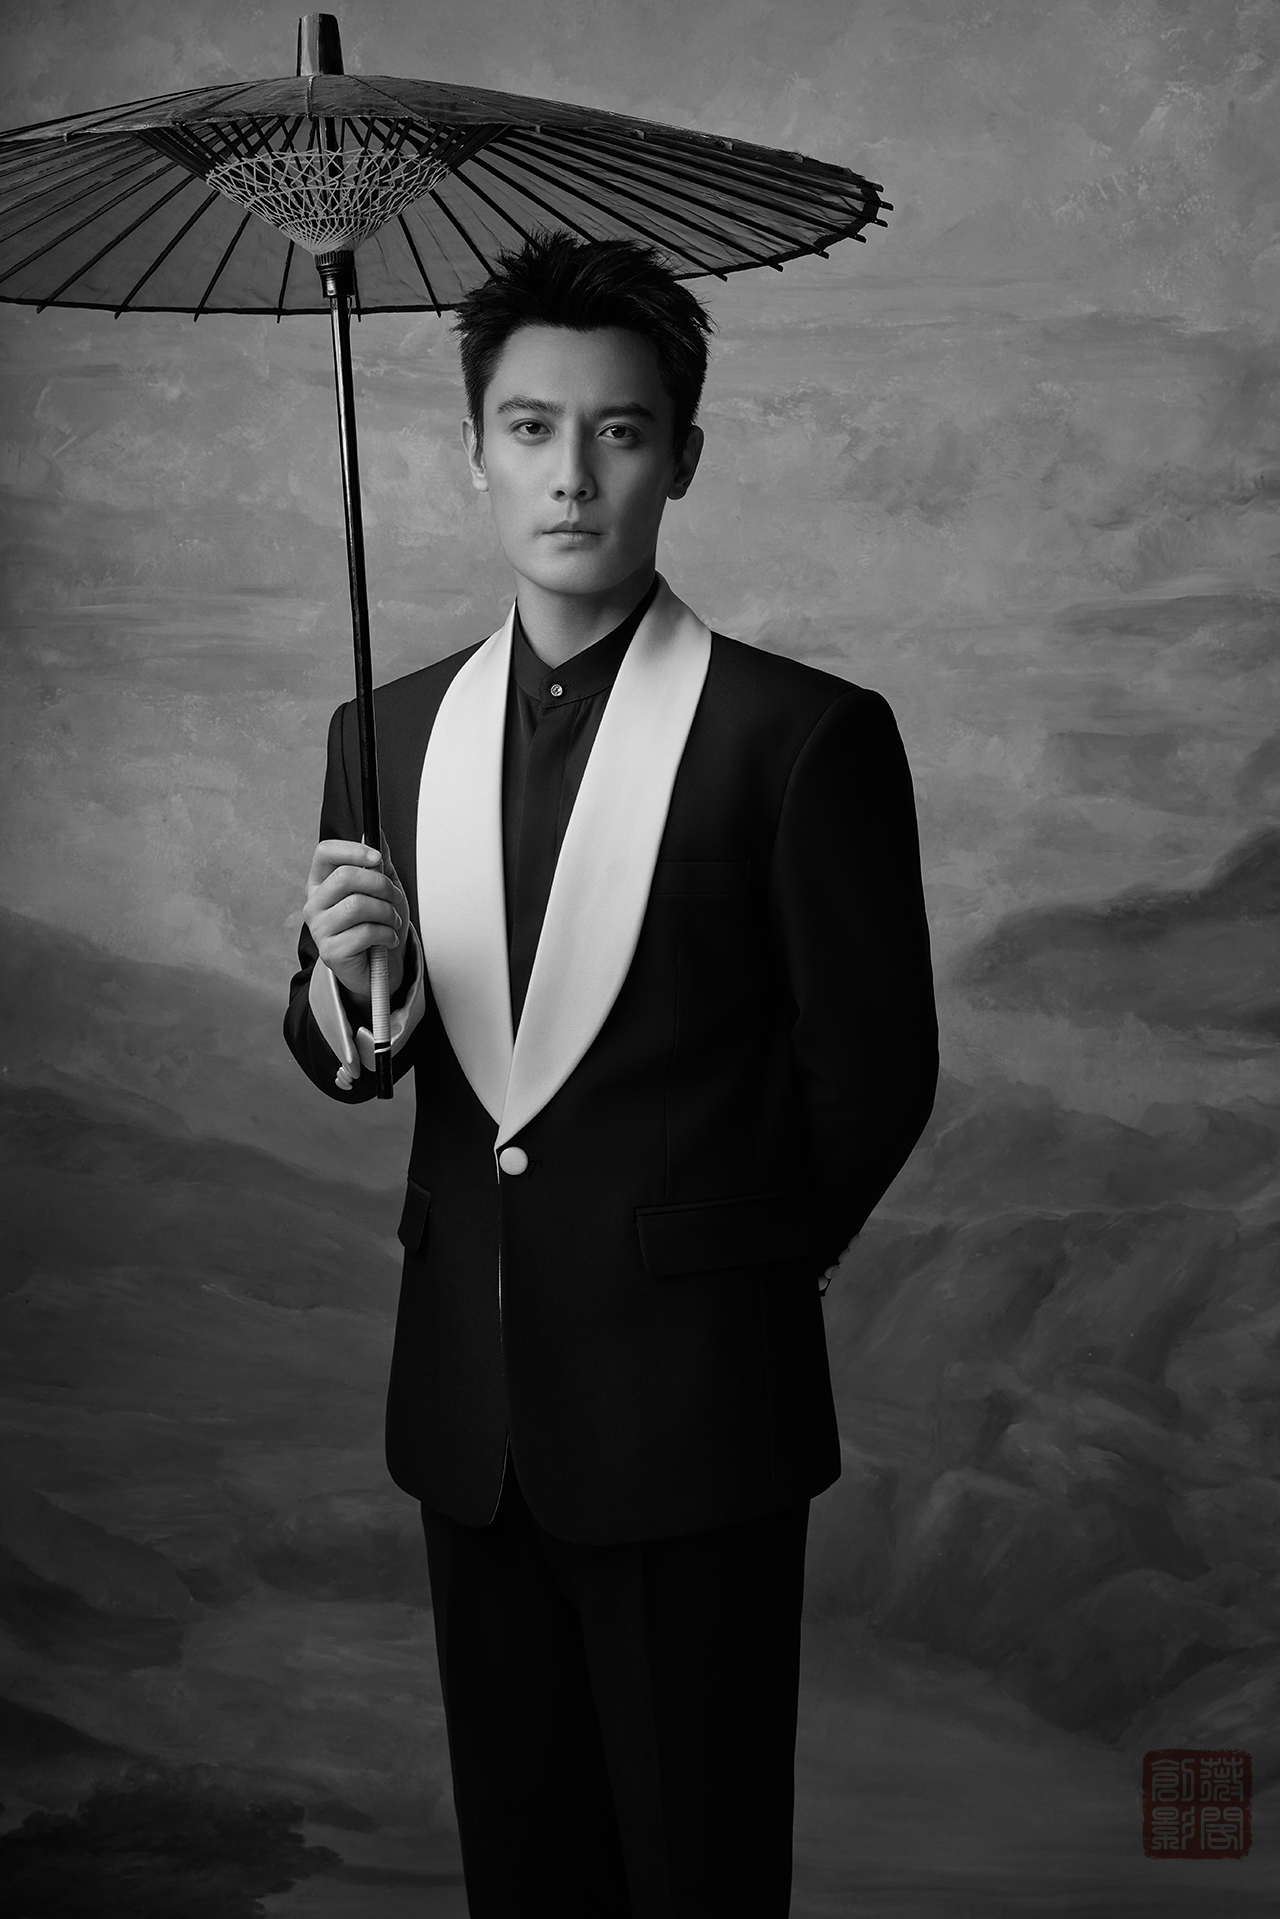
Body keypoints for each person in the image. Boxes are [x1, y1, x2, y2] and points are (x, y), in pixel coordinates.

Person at [284, 231, 937, 1919]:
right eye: (529, 428)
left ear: (683, 458)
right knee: (528, 1881)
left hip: (698, 1411)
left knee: (695, 1876)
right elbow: (356, 1049)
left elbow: (875, 1072)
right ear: (475, 452)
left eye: (620, 431)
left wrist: (730, 1267)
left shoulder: (801, 735)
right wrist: (353, 989)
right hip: (469, 1410)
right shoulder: (382, 734)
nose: (571, 475)